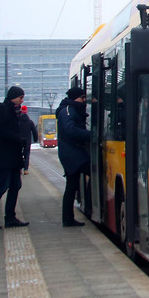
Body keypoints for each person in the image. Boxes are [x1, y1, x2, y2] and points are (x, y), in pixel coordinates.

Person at [0, 87, 30, 230]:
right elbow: (0, 131)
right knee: (3, 185)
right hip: (4, 155)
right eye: (20, 97)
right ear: (12, 97)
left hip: (13, 155)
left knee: (15, 185)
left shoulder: (15, 110)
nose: (22, 100)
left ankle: (10, 217)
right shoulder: (2, 109)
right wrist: (18, 138)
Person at [57, 87, 92, 227]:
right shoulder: (67, 111)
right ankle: (86, 207)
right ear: (75, 98)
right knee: (94, 172)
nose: (84, 100)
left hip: (72, 152)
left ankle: (68, 218)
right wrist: (90, 134)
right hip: (72, 153)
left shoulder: (70, 109)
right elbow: (70, 130)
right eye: (82, 97)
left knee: (72, 185)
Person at [17, 105, 38, 175]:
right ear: (26, 112)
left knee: (18, 154)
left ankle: (19, 168)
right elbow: (34, 131)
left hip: (19, 140)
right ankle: (26, 170)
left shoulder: (17, 121)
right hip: (27, 141)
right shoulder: (30, 122)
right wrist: (35, 139)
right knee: (27, 155)